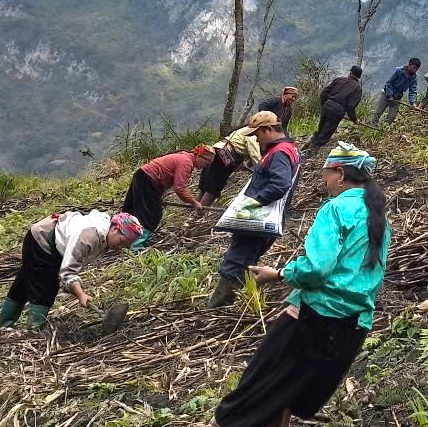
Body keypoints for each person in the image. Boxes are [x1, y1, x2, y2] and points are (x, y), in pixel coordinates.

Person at [162, 142, 391, 427]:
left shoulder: (335, 210)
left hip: (313, 319)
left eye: (327, 173)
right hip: (353, 326)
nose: (325, 180)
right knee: (285, 391)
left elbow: (317, 269)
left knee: (252, 391)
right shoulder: (378, 215)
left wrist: (279, 272)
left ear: (341, 174)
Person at [207, 117, 301, 307]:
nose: (256, 140)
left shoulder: (280, 153)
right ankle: (237, 302)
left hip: (257, 220)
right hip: (267, 220)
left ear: (268, 129)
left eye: (257, 134)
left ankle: (217, 306)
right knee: (247, 259)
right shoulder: (290, 149)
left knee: (235, 260)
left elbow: (280, 183)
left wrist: (255, 202)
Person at [0, 211, 143, 330]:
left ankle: (5, 324)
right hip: (42, 241)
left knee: (26, 279)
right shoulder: (88, 236)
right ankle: (33, 331)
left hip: (53, 245)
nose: (121, 247)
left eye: (125, 245)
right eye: (122, 241)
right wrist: (80, 294)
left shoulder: (105, 235)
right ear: (115, 229)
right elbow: (67, 272)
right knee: (45, 287)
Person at [121, 145, 215, 250]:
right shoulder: (186, 162)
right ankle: (136, 245)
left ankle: (121, 235)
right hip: (149, 180)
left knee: (132, 209)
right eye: (206, 163)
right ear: (199, 156)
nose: (204, 166)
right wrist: (194, 202)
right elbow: (179, 188)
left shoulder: (184, 156)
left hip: (141, 174)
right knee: (152, 215)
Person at [198, 116, 267, 207]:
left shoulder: (243, 129)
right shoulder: (252, 134)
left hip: (218, 149)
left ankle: (195, 207)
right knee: (214, 186)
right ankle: (199, 212)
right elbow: (255, 155)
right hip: (226, 155)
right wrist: (263, 171)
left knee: (207, 182)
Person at [307, 66, 363, 151]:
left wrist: (324, 104)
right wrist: (354, 119)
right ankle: (310, 153)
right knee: (324, 135)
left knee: (321, 130)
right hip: (337, 112)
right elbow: (351, 106)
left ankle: (308, 145)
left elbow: (324, 93)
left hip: (327, 106)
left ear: (350, 72)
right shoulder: (357, 88)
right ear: (359, 76)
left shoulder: (339, 80)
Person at [371, 59, 421, 126]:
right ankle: (372, 126)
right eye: (414, 67)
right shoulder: (399, 71)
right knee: (378, 113)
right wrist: (390, 95)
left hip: (397, 98)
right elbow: (389, 83)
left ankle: (382, 129)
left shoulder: (414, 79)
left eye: (417, 68)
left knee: (392, 116)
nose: (415, 70)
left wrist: (413, 103)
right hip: (386, 95)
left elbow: (412, 92)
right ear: (410, 65)